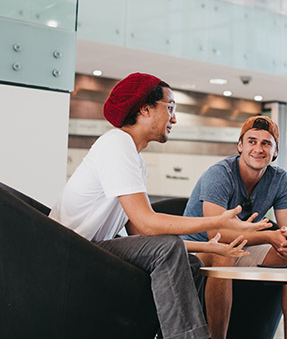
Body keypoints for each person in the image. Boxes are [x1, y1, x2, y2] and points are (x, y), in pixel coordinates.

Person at [50, 73, 270, 339]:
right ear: (145, 109)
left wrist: (209, 246)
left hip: (93, 248)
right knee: (167, 249)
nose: (174, 118)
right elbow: (147, 223)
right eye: (170, 108)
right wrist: (217, 221)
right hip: (71, 252)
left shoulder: (134, 158)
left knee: (190, 264)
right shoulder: (116, 144)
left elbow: (139, 234)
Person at [183, 115, 287, 339]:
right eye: (252, 141)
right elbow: (217, 235)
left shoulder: (280, 179)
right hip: (201, 247)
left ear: (275, 151)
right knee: (225, 253)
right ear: (240, 146)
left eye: (266, 143)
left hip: (240, 245)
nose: (258, 149)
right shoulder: (219, 174)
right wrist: (270, 237)